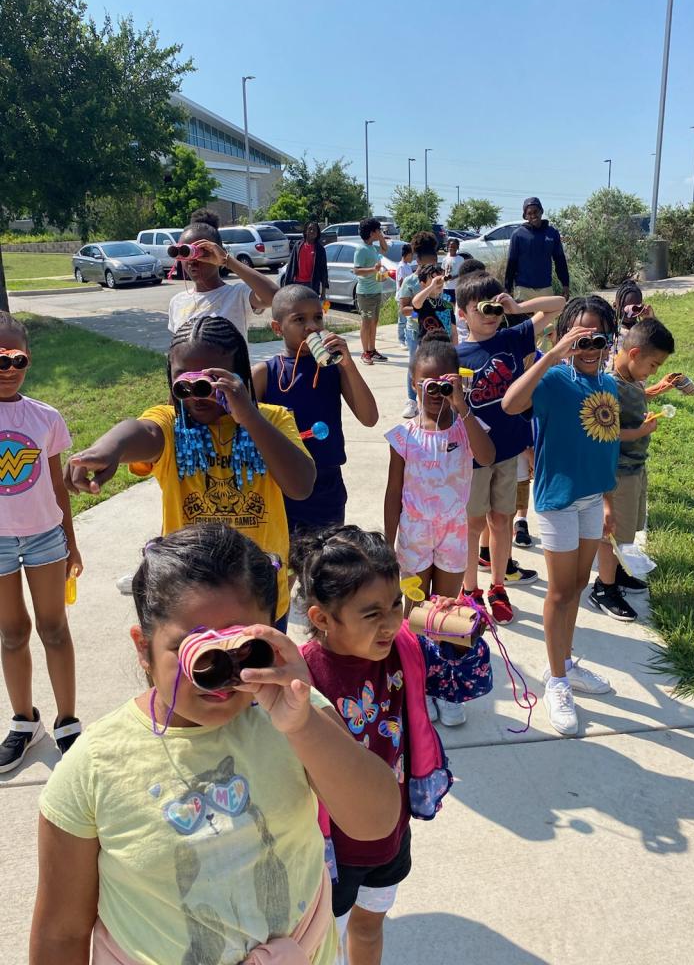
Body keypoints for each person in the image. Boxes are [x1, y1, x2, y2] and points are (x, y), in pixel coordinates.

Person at [30, 523, 401, 965]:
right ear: (143, 648)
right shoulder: (94, 768)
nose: (222, 670)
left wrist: (303, 726)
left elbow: (376, 822)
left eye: (244, 646)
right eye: (193, 648)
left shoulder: (294, 714)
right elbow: (61, 932)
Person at [64, 314, 315, 632]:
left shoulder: (272, 420)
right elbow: (139, 431)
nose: (198, 393)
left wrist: (248, 416)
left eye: (211, 381)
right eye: (185, 381)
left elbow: (301, 485)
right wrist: (106, 450)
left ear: (239, 376)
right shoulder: (172, 425)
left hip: (257, 594)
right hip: (188, 595)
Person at [292, 525, 452, 965]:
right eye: (372, 614)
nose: (391, 623)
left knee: (369, 925)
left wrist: (461, 636)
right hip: (330, 849)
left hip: (390, 832)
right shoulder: (301, 677)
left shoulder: (403, 650)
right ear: (321, 618)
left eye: (396, 604)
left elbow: (461, 681)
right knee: (323, 944)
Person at [502, 295, 621, 736]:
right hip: (557, 501)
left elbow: (606, 446)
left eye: (598, 338)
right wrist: (553, 352)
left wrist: (608, 502)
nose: (589, 347)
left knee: (576, 586)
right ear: (564, 337)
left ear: (610, 340)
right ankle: (555, 681)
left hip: (592, 500)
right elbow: (512, 404)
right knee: (558, 591)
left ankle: (566, 663)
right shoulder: (553, 379)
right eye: (580, 337)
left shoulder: (606, 384)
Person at [383, 332, 495, 726]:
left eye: (445, 382)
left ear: (458, 381)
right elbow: (393, 490)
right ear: (414, 384)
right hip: (414, 534)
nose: (436, 390)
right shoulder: (404, 435)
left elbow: (487, 456)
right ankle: (417, 685)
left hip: (452, 534)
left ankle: (445, 687)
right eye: (428, 383)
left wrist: (461, 405)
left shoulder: (467, 426)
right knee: (414, 614)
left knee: (447, 613)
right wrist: (387, 540)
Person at [0, 313, 83, 772]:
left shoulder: (45, 417)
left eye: (18, 358)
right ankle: (23, 720)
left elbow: (56, 486)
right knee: (12, 634)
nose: (9, 368)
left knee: (54, 629)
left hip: (46, 538)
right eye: (0, 359)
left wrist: (71, 542)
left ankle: (68, 720)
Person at [457, 272, 564, 622]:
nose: (489, 315)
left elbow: (558, 305)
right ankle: (470, 589)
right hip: (473, 455)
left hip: (510, 449)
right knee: (473, 525)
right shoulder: (456, 354)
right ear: (462, 313)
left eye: (492, 308)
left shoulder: (513, 336)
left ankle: (498, 587)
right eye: (480, 308)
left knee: (501, 520)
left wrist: (516, 307)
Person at [254, 285, 378, 537]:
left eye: (318, 317)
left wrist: (348, 364)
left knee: (324, 566)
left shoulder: (335, 369)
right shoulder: (265, 374)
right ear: (277, 328)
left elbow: (369, 418)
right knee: (282, 568)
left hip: (326, 483)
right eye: (299, 319)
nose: (312, 326)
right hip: (279, 484)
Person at [590, 317, 676, 621]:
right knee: (611, 534)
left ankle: (618, 574)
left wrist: (653, 394)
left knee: (629, 528)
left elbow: (635, 401)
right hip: (618, 473)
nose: (654, 372)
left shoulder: (632, 381)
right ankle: (604, 587)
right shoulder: (610, 385)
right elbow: (605, 433)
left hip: (636, 467)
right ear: (636, 354)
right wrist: (639, 432)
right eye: (653, 365)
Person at [167, 209, 278, 341]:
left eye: (200, 253)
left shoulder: (237, 295)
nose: (192, 261)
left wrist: (228, 261)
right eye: (185, 252)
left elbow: (275, 297)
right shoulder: (177, 302)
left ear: (219, 252)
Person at [397, 231, 442, 419]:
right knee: (414, 365)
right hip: (415, 331)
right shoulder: (410, 281)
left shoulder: (439, 278)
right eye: (428, 262)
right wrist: (420, 312)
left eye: (434, 261)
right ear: (418, 259)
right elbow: (403, 308)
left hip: (436, 332)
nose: (432, 265)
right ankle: (412, 400)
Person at [504, 197, 570, 302]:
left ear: (541, 211)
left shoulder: (552, 233)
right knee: (523, 319)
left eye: (536, 212)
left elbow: (560, 261)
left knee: (546, 319)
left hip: (545, 288)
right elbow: (512, 263)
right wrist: (507, 288)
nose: (533, 215)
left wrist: (565, 284)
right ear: (525, 216)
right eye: (529, 213)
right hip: (523, 289)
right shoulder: (518, 235)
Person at [353, 218, 389, 366]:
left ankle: (372, 350)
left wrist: (381, 237)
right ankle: (365, 352)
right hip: (365, 293)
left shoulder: (372, 248)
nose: (380, 232)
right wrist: (372, 270)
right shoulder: (361, 249)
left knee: (374, 322)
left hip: (376, 291)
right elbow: (357, 270)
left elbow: (385, 248)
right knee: (366, 323)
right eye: (378, 230)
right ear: (372, 232)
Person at [282, 221, 329, 297]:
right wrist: (286, 287)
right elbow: (290, 266)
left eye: (315, 230)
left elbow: (324, 271)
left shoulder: (320, 249)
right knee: (297, 308)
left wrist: (323, 292)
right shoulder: (298, 246)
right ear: (305, 231)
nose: (312, 231)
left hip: (312, 285)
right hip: (297, 284)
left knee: (310, 308)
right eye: (310, 229)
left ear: (317, 233)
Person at [395, 243, 414, 349]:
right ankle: (401, 340)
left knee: (409, 319)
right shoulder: (401, 267)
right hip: (402, 297)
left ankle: (407, 339)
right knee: (402, 320)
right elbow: (401, 283)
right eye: (411, 254)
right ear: (407, 254)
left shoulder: (408, 266)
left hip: (409, 296)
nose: (412, 257)